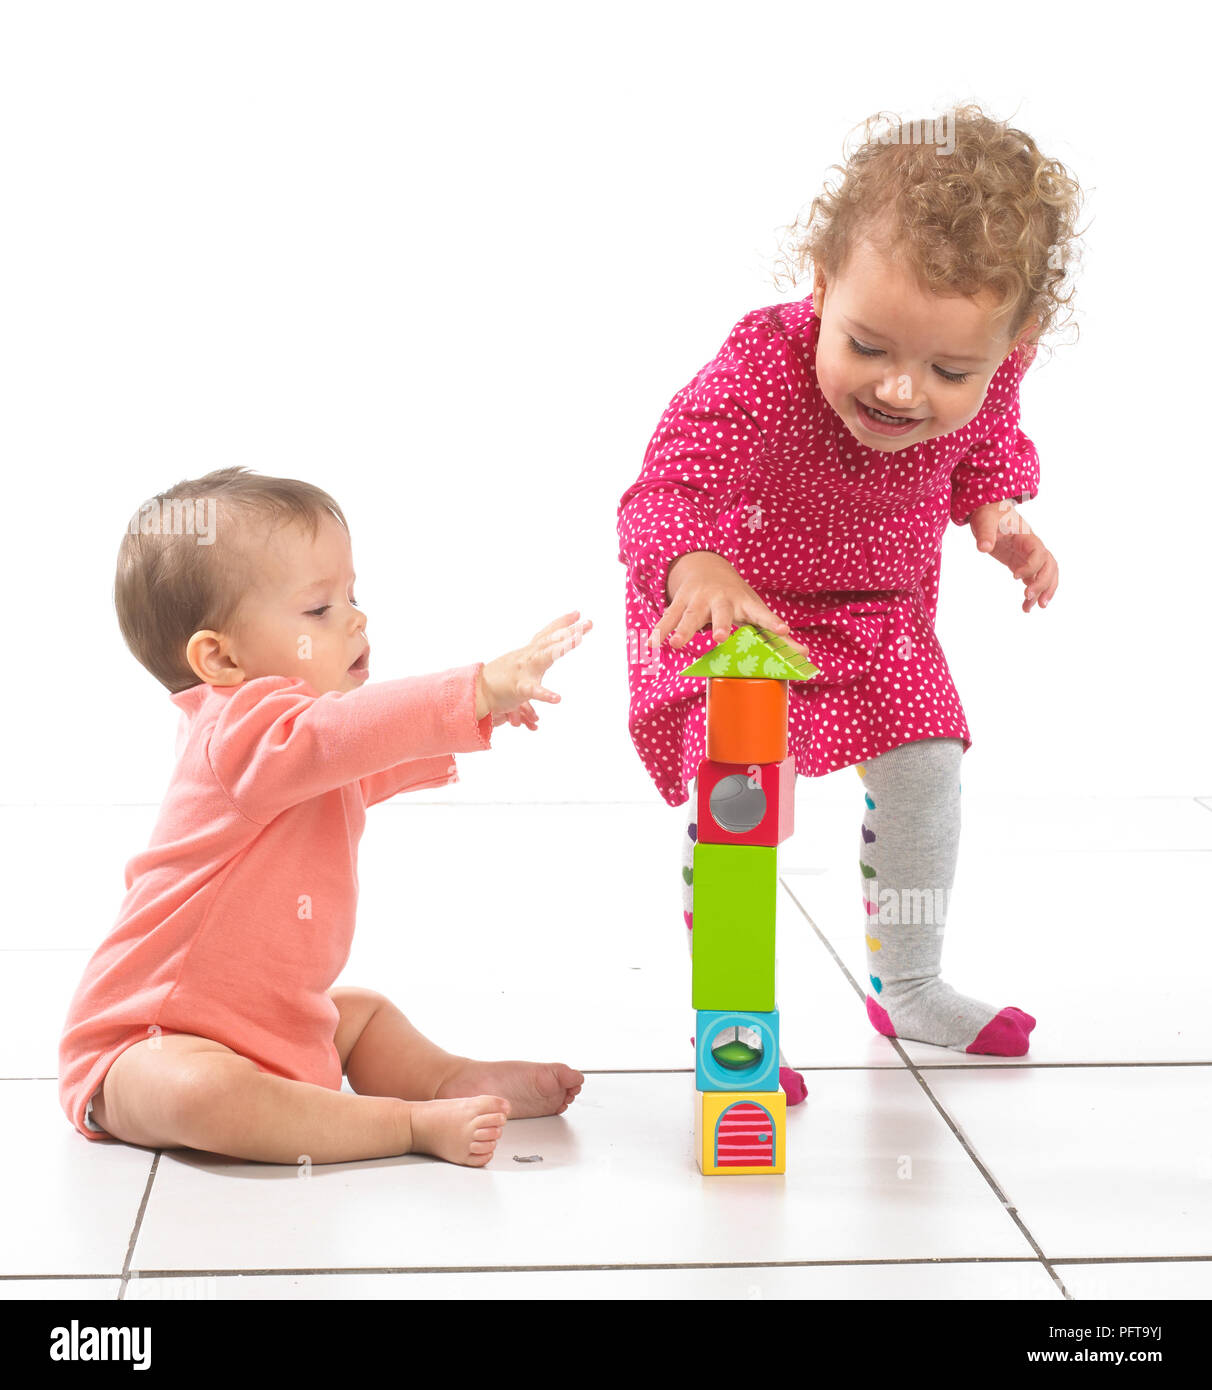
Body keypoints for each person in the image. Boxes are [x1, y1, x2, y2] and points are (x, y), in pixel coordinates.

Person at [617, 105, 1086, 1091]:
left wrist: (999, 515)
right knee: (743, 797)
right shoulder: (759, 369)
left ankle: (908, 984)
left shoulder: (991, 372)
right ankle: (733, 1022)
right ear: (821, 287)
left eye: (949, 368)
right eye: (869, 348)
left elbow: (985, 443)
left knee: (925, 771)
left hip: (881, 618)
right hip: (742, 618)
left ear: (1013, 343)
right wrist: (695, 567)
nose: (904, 392)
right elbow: (667, 486)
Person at [59, 466, 590, 1165]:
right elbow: (343, 736)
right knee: (202, 1093)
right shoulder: (239, 731)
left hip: (267, 1028)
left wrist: (479, 713)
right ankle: (402, 1123)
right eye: (319, 611)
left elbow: (354, 759)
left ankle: (447, 1077)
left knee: (360, 1014)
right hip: (143, 1045)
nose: (355, 619)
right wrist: (476, 687)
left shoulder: (290, 753)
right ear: (220, 657)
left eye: (352, 596)